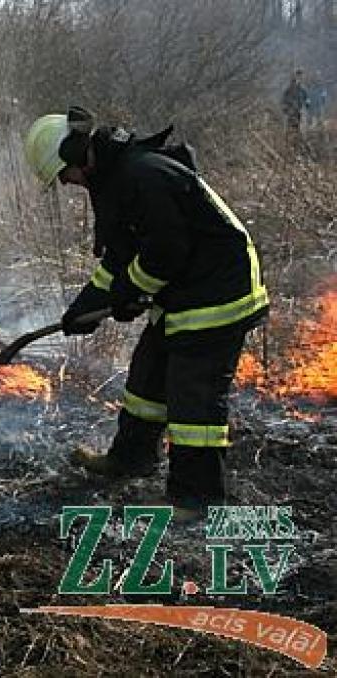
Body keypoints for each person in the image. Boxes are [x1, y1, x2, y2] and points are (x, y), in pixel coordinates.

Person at [23, 106, 269, 522]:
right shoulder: (114, 180)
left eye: (63, 174)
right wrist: (85, 306)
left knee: (194, 396)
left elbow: (165, 253)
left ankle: (196, 498)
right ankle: (131, 459)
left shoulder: (143, 175)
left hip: (217, 292)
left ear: (76, 152)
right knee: (147, 377)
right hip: (184, 292)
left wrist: (127, 296)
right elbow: (122, 256)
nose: (66, 184)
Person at [281, 70, 309, 137]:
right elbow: (283, 99)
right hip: (290, 111)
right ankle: (287, 138)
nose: (299, 78)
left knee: (301, 127)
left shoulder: (303, 89)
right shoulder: (288, 89)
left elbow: (307, 98)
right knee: (288, 128)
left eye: (301, 76)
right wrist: (286, 108)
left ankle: (301, 138)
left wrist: (307, 103)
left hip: (299, 111)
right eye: (298, 76)